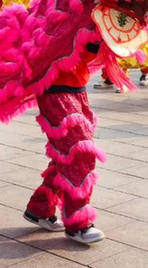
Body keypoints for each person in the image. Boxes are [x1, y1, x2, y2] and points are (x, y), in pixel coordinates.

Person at [24, 38, 106, 245]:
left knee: (66, 154)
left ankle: (40, 207)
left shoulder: (92, 12)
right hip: (55, 89)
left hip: (78, 87)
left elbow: (84, 57)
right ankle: (78, 223)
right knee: (80, 152)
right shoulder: (56, 8)